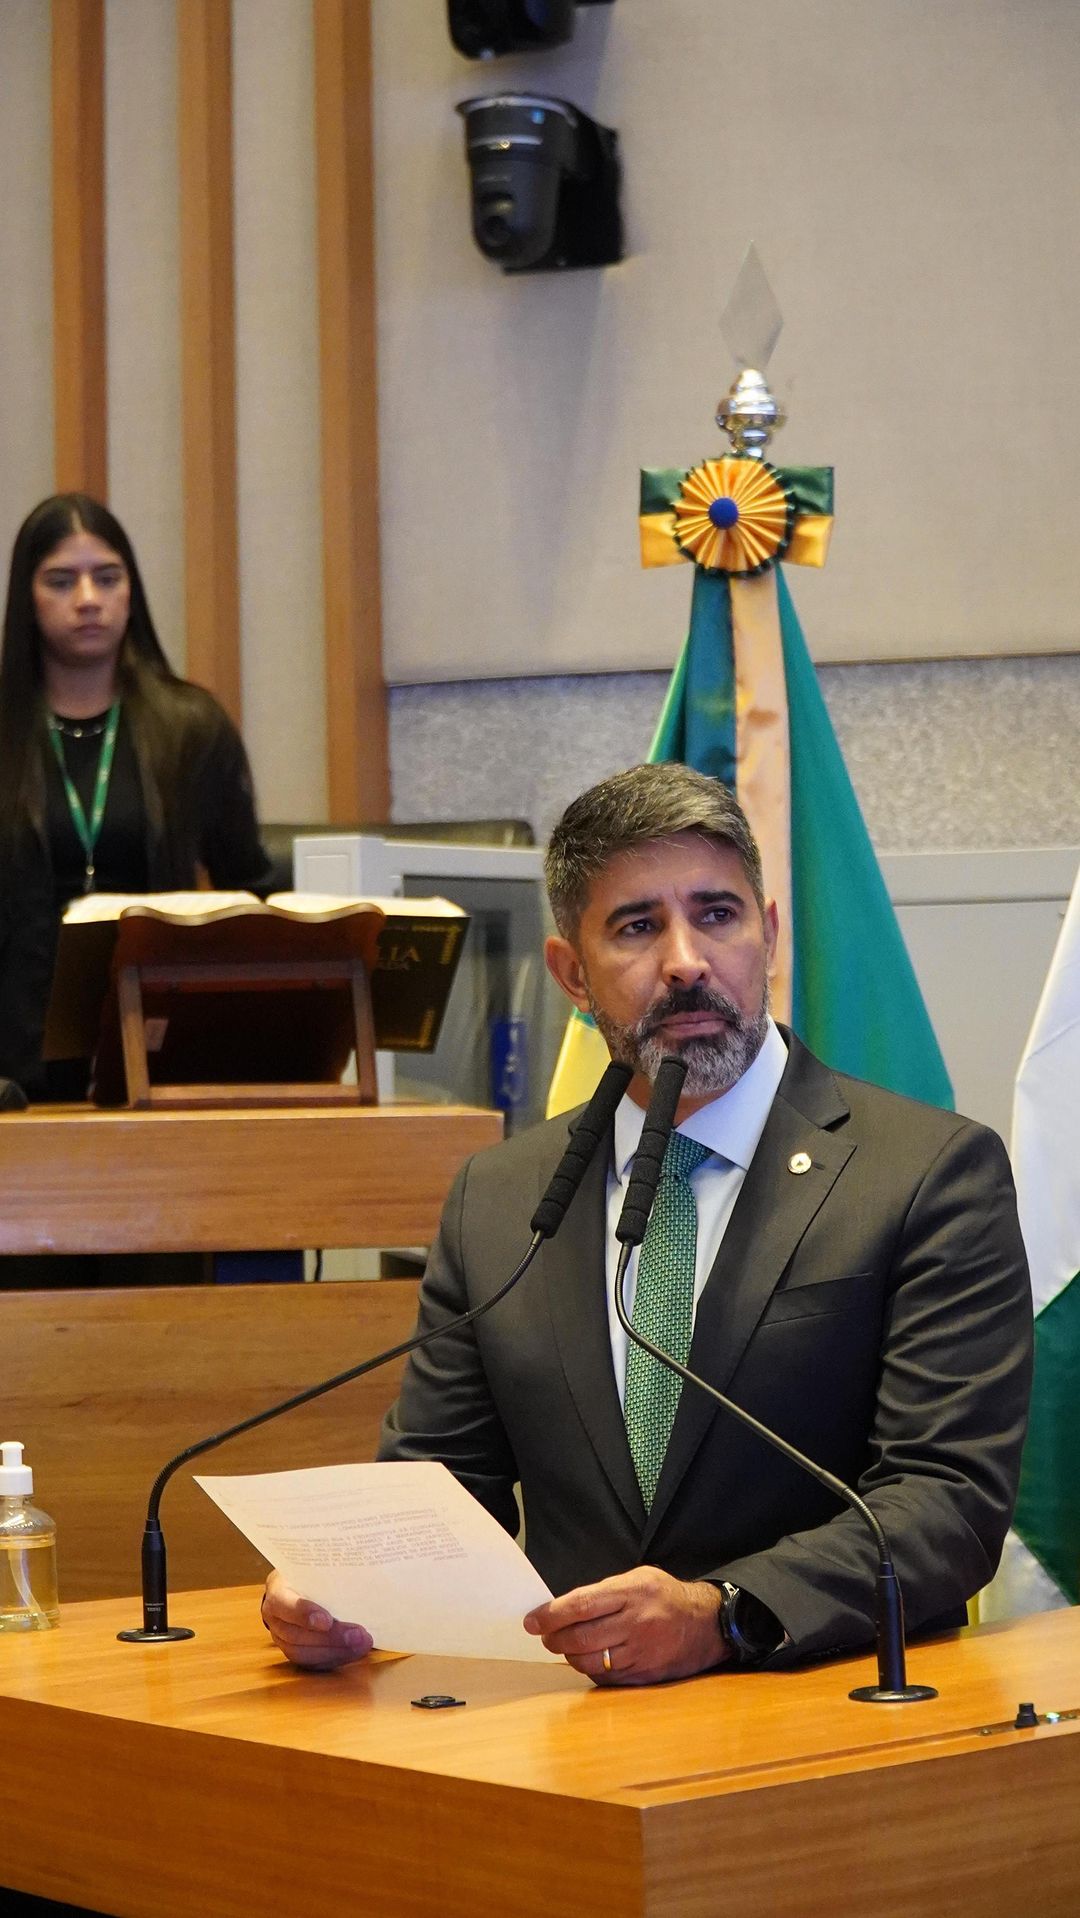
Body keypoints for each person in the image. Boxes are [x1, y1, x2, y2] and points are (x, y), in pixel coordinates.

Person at [263, 762, 1033, 1684]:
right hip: (569, 1730)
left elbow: (945, 1502)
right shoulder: (501, 1199)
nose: (686, 962)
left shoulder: (928, 1173)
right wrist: (342, 1584)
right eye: (637, 927)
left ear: (770, 933)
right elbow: (438, 1488)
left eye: (718, 914)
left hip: (829, 1708)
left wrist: (725, 1614)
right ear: (571, 974)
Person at [0, 493, 270, 1101]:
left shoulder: (189, 727)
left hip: (156, 1053)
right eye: (61, 581)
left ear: (131, 592)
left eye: (108, 577)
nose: (88, 599)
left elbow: (249, 893)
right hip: (12, 1069)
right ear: (27, 596)